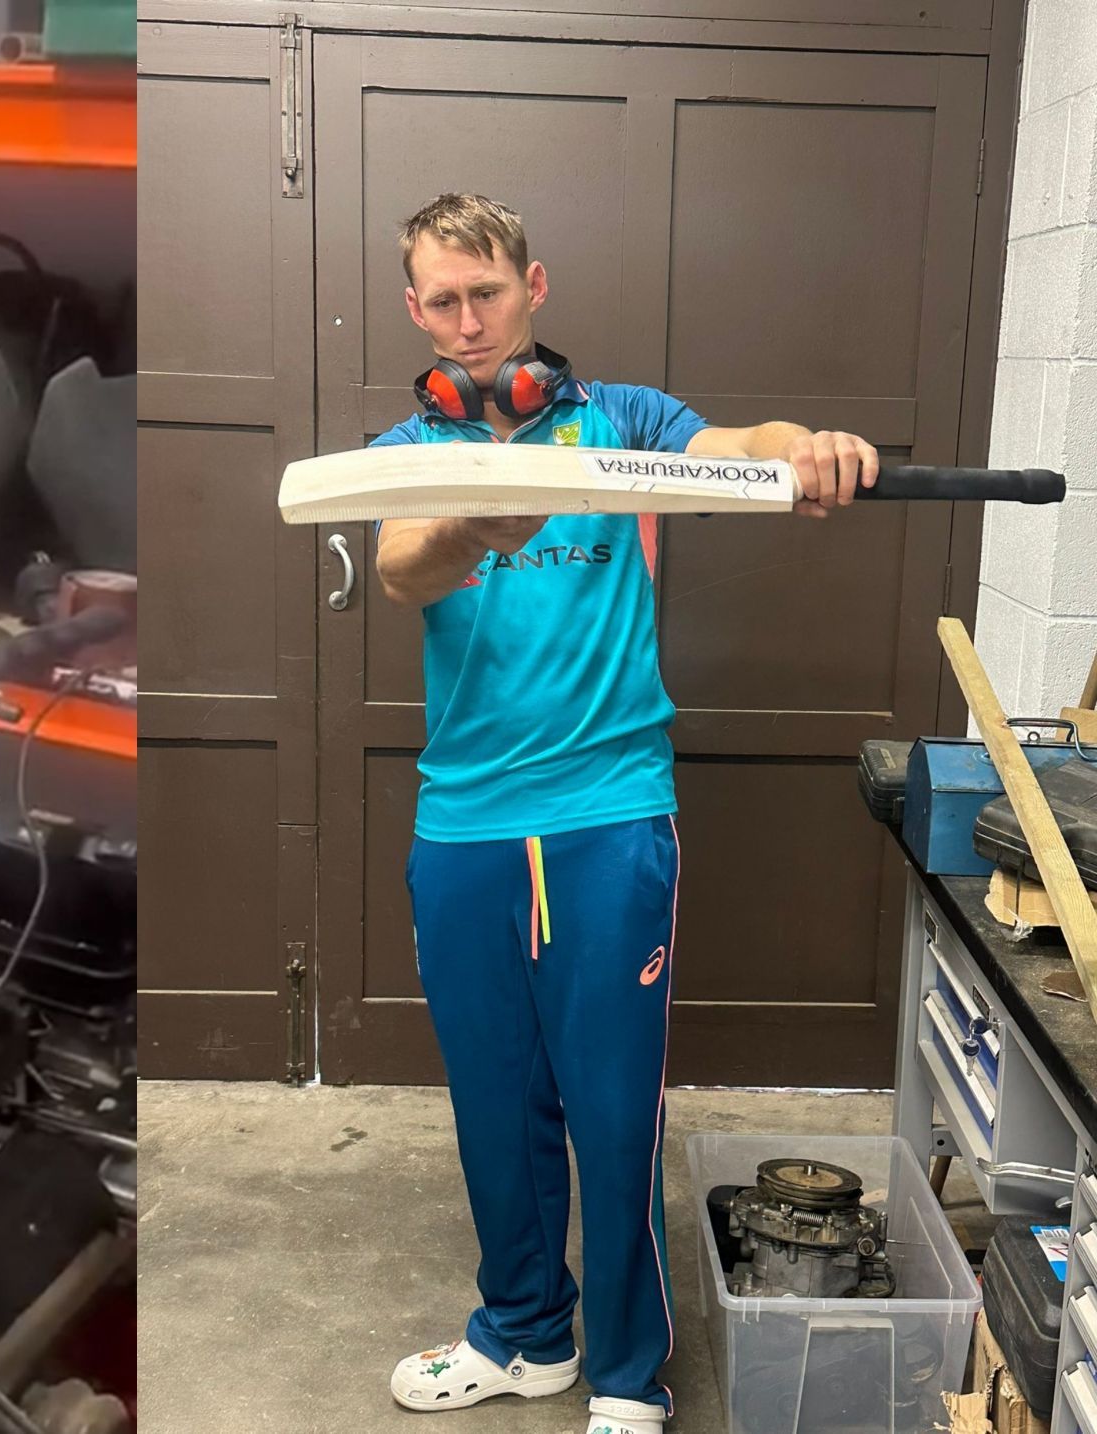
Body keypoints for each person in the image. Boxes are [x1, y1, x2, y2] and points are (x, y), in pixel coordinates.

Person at [372, 193, 878, 1434]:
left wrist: (799, 444)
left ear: (533, 285)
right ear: (413, 310)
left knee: (612, 1111)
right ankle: (525, 1335)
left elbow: (732, 448)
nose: (467, 321)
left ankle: (623, 1378)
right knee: (496, 1107)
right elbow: (399, 567)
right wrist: (472, 522)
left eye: (485, 292)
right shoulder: (408, 446)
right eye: (441, 300)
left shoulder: (623, 423)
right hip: (466, 826)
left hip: (608, 815)